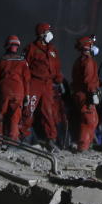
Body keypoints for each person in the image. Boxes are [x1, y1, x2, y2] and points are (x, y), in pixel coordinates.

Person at [20, 23, 64, 152]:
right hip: (35, 82)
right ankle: (23, 136)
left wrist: (59, 81)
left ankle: (51, 140)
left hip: (48, 84)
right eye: (48, 31)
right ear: (41, 34)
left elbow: (57, 67)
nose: (50, 34)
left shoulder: (52, 50)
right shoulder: (31, 48)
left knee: (48, 112)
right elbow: (25, 67)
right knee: (29, 109)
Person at [0, 36, 31, 143]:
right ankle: (12, 141)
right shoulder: (23, 61)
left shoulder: (1, 60)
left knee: (1, 115)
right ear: (17, 45)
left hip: (4, 90)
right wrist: (27, 95)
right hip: (18, 90)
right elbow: (27, 80)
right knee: (15, 116)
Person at [71, 36, 100, 153]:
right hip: (86, 94)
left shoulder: (80, 60)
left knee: (94, 119)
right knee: (89, 120)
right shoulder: (88, 61)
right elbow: (89, 79)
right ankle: (83, 147)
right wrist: (93, 93)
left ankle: (88, 143)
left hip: (80, 93)